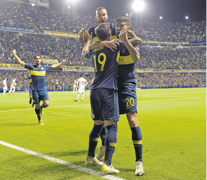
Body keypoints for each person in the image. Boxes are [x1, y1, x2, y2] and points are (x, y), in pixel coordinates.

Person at [89, 16, 144, 176]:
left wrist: (127, 40)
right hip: (111, 86)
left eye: (122, 26)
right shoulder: (112, 42)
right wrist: (103, 42)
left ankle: (139, 161)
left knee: (132, 119)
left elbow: (136, 57)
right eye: (117, 26)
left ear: (128, 28)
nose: (119, 28)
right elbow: (90, 48)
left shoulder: (129, 43)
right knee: (106, 121)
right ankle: (104, 151)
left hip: (126, 85)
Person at [82, 23, 132, 174]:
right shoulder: (115, 45)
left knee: (98, 125)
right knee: (111, 126)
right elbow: (135, 44)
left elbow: (84, 52)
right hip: (108, 89)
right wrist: (127, 36)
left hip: (95, 90)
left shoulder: (94, 48)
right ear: (110, 34)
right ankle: (107, 163)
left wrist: (88, 41)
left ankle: (90, 156)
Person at [11, 49, 66, 125]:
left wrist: (61, 63)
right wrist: (14, 54)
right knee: (37, 105)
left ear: (41, 60)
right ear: (34, 60)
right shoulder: (31, 67)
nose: (38, 59)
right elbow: (21, 62)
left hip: (43, 89)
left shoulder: (44, 67)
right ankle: (39, 119)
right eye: (36, 58)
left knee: (47, 104)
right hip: (35, 90)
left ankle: (42, 107)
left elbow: (53, 66)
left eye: (39, 58)